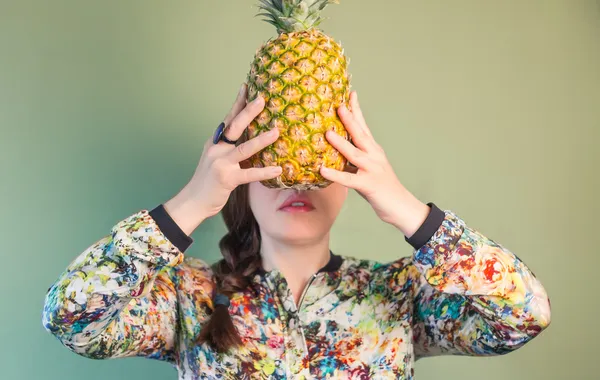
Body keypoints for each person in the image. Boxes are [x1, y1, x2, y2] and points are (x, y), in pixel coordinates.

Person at [42, 84, 551, 379]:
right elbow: (69, 317)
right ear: (241, 181)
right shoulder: (189, 297)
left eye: (319, 166)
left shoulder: (399, 295)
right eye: (277, 166)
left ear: (351, 182)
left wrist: (406, 209)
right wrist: (191, 203)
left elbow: (524, 315)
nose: (299, 180)